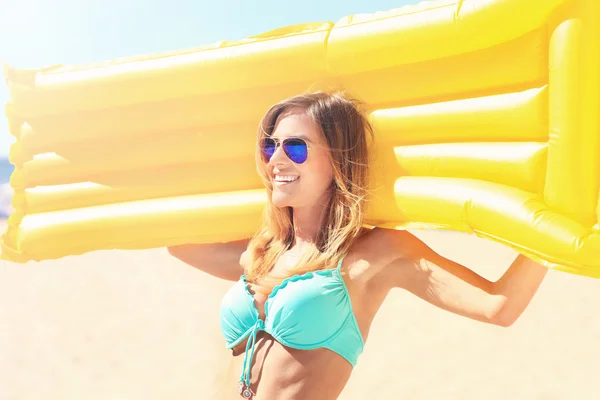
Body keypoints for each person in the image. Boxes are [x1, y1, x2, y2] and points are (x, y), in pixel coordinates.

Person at [168, 91, 548, 399]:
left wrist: (559, 219)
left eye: (295, 147)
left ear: (337, 160)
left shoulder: (377, 252)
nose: (276, 160)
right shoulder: (262, 251)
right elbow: (176, 243)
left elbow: (499, 305)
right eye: (270, 147)